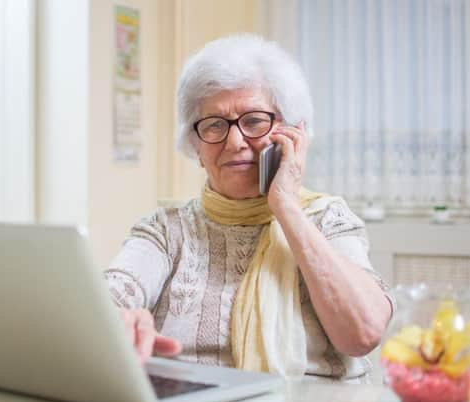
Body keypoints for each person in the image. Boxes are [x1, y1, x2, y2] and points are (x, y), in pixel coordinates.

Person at [105, 34, 393, 381]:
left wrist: (285, 205)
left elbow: (362, 333)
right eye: (214, 125)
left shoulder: (329, 219)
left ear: (293, 133)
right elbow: (109, 297)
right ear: (196, 147)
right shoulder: (166, 229)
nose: (235, 141)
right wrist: (112, 317)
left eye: (254, 121)